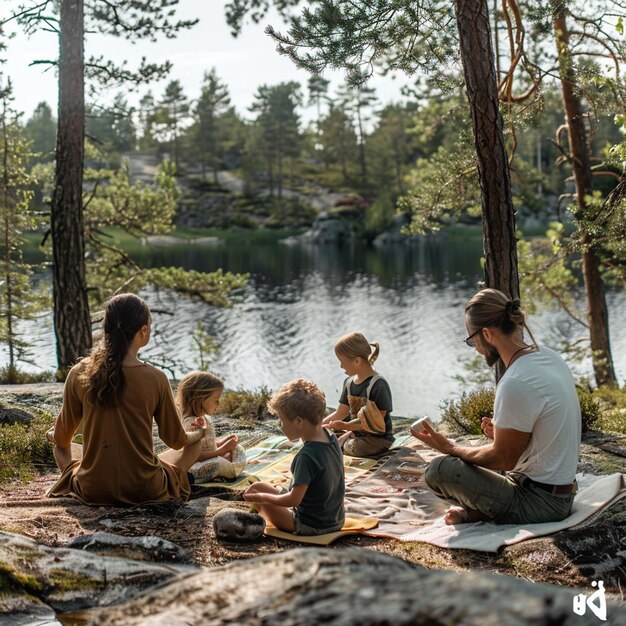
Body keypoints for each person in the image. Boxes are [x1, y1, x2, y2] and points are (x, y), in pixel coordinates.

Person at [413, 288, 581, 525]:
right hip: (559, 490)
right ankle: (480, 511)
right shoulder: (548, 356)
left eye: (472, 341)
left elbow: (504, 459)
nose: (476, 349)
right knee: (478, 451)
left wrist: (449, 447)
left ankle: (483, 512)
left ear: (487, 334)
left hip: (540, 503)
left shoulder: (515, 382)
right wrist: (504, 432)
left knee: (439, 469)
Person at [47, 293, 207, 505]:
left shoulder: (79, 373)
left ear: (107, 331)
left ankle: (78, 482)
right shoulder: (157, 378)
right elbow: (176, 441)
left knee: (64, 447)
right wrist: (198, 434)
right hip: (146, 489)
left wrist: (52, 434)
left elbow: (62, 439)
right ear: (143, 330)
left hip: (93, 490)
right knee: (192, 447)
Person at [244, 379, 345, 535]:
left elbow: (293, 501)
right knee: (257, 487)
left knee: (258, 497)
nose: (280, 425)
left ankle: (263, 516)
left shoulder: (306, 456)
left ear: (298, 421)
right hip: (336, 519)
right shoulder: (330, 436)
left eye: (282, 420)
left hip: (312, 525)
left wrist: (263, 498)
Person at [322, 332, 394, 457]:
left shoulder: (378, 385)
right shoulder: (349, 383)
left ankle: (342, 445)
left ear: (357, 361)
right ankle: (342, 443)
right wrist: (319, 426)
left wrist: (347, 426)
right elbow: (341, 413)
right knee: (325, 434)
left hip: (378, 440)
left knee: (357, 447)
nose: (340, 366)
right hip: (354, 434)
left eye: (342, 361)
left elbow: (376, 424)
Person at [175, 370, 246, 482]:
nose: (218, 404)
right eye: (216, 401)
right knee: (217, 464)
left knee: (237, 449)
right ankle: (190, 477)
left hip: (210, 457)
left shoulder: (204, 418)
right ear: (201, 398)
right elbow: (193, 455)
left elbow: (205, 445)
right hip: (195, 464)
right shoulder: (192, 423)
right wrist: (221, 451)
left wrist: (221, 443)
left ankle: (227, 466)